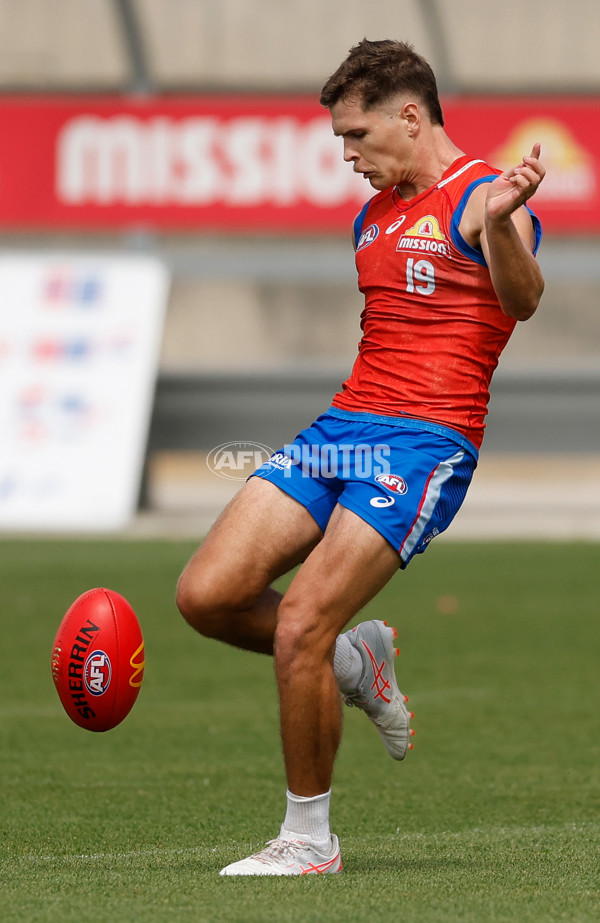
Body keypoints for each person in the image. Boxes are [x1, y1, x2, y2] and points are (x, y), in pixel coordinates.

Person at [176, 38, 545, 876]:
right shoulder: (373, 214)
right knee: (206, 594)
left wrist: (501, 229)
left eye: (358, 136)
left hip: (424, 444)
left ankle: (309, 841)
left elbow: (520, 301)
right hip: (347, 427)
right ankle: (358, 659)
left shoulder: (486, 197)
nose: (347, 156)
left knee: (300, 621)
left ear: (410, 116)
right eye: (341, 140)